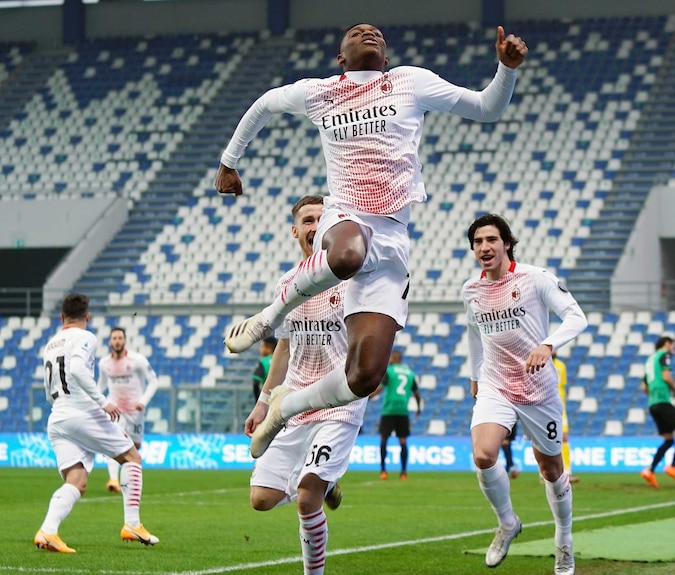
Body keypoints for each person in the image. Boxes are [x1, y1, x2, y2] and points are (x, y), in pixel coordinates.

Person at [213, 23, 528, 459]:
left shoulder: (409, 81)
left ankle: (288, 406)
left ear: (386, 53)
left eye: (377, 32)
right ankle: (267, 318)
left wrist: (506, 69)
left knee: (364, 376)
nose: (369, 32)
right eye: (357, 31)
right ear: (340, 57)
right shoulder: (319, 91)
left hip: (393, 238)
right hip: (344, 214)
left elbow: (485, 107)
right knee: (346, 254)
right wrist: (229, 162)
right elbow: (263, 104)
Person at [244, 195, 367, 575]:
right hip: (292, 403)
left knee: (305, 496)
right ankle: (327, 485)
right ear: (295, 230)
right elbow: (283, 347)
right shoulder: (288, 283)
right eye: (307, 220)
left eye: (320, 219)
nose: (314, 226)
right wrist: (263, 403)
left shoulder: (351, 282)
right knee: (261, 499)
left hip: (339, 401)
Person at [462, 214, 587, 575]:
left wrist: (548, 345)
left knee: (550, 469)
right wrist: (474, 375)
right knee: (483, 454)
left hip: (538, 388)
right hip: (495, 385)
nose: (485, 247)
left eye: (491, 240)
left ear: (506, 243)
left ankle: (564, 540)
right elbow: (473, 333)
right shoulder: (471, 290)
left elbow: (577, 317)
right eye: (478, 242)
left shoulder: (535, 278)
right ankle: (507, 523)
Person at [35, 294, 158, 553]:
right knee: (132, 457)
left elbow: (48, 389)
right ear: (87, 316)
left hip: (57, 416)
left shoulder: (50, 344)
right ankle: (133, 524)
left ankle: (47, 531)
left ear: (61, 317)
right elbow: (78, 370)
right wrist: (103, 401)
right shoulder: (86, 337)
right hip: (82, 413)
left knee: (76, 480)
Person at [97, 327, 160, 494]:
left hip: (134, 410)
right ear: (110, 342)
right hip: (115, 410)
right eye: (114, 338)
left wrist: (143, 401)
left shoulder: (137, 360)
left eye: (120, 338)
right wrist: (96, 401)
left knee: (134, 447)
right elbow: (101, 385)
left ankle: (127, 479)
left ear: (124, 341)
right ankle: (113, 480)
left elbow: (154, 381)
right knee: (114, 443)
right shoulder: (104, 363)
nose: (117, 341)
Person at [640, 335, 675, 488]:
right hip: (663, 401)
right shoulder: (664, 355)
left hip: (653, 404)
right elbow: (666, 376)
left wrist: (654, 395)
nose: (673, 350)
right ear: (667, 343)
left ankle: (649, 470)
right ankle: (672, 466)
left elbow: (644, 387)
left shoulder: (650, 360)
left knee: (669, 439)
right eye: (673, 346)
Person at [371, 349, 420, 480]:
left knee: (383, 439)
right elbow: (417, 393)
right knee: (403, 441)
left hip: (389, 410)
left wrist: (367, 397)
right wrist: (419, 408)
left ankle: (383, 471)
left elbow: (379, 389)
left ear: (394, 358)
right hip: (403, 411)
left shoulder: (389, 371)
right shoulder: (410, 373)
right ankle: (403, 472)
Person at [552, 350, 580, 484]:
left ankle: (567, 471)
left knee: (563, 438)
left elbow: (561, 386)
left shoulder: (561, 366)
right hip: (544, 407)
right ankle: (544, 472)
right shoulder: (540, 364)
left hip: (560, 408)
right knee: (544, 439)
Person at [252, 336, 278, 400]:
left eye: (262, 346)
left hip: (269, 399)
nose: (260, 349)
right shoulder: (284, 360)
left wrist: (257, 400)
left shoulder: (263, 362)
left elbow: (256, 382)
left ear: (268, 349)